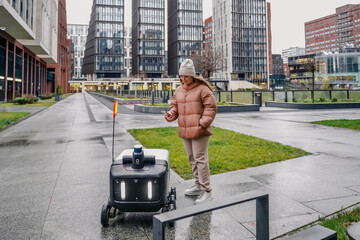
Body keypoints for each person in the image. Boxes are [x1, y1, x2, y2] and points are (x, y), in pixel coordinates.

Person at [165, 59, 217, 204]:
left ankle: (207, 190)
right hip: (185, 130)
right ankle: (198, 185)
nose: (183, 79)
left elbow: (211, 108)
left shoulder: (202, 89)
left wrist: (202, 123)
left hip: (200, 130)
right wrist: (171, 114)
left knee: (200, 159)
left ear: (192, 75)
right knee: (192, 159)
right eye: (181, 76)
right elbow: (175, 106)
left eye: (186, 76)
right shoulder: (179, 90)